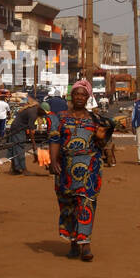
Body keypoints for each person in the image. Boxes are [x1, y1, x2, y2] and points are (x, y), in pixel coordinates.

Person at [50, 80, 112, 262]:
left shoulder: (95, 119)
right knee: (68, 205)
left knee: (86, 202)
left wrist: (101, 139)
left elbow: (104, 139)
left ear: (88, 97)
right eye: (76, 94)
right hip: (65, 167)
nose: (79, 97)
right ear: (71, 96)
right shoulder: (59, 118)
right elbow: (54, 140)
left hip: (90, 167)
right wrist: (53, 161)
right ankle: (73, 242)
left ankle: (86, 244)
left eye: (83, 94)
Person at [6, 99, 39, 175]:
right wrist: (34, 145)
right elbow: (30, 130)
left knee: (15, 147)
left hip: (16, 128)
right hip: (18, 129)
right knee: (20, 147)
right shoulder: (33, 112)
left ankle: (15, 168)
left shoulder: (31, 109)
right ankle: (23, 169)